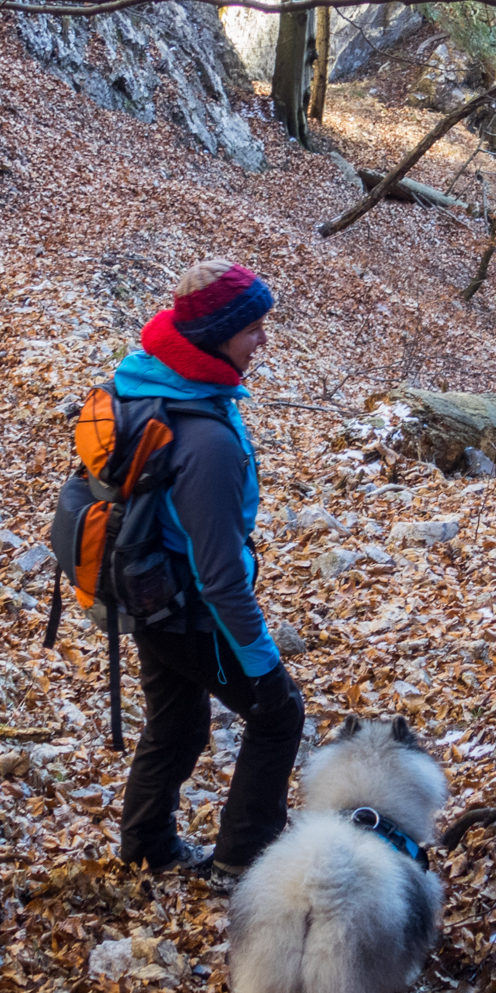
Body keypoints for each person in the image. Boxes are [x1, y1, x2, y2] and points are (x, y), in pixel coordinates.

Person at [110, 258, 305, 880]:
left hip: (145, 589)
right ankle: (243, 864)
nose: (263, 340)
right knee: (279, 714)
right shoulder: (206, 441)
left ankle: (147, 846)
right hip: (190, 610)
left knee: (180, 718)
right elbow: (220, 578)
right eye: (252, 330)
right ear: (216, 337)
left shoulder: (149, 384)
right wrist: (263, 664)